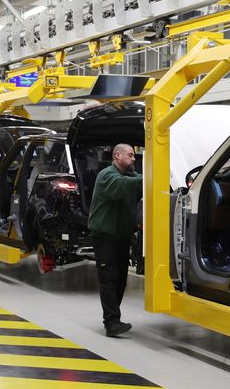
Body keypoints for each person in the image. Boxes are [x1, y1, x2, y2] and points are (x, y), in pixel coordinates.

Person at [88, 143, 143, 337]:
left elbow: (138, 182)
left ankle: (113, 319)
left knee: (120, 280)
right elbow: (123, 186)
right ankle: (111, 322)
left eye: (134, 156)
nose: (134, 158)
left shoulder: (130, 176)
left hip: (121, 237)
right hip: (105, 238)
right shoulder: (107, 176)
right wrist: (147, 179)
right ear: (117, 156)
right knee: (109, 279)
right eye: (130, 155)